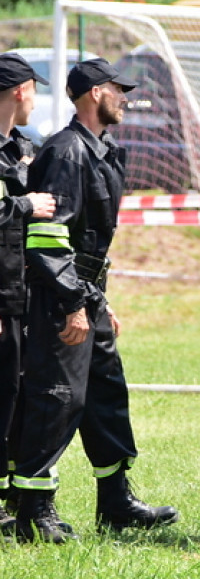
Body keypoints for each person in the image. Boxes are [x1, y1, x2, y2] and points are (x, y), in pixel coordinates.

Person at [13, 57, 178, 543]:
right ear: (92, 94)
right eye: (116, 89)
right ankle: (33, 510)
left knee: (106, 397)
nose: (124, 97)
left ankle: (116, 501)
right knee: (58, 399)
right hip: (59, 295)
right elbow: (46, 238)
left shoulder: (103, 148)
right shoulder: (66, 153)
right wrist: (72, 304)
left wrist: (98, 302)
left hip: (88, 290)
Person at [0, 53, 56, 531]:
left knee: (17, 393)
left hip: (21, 292)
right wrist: (24, 204)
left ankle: (18, 498)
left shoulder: (23, 145)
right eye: (34, 90)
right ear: (20, 92)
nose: (36, 99)